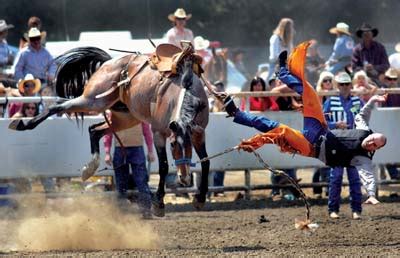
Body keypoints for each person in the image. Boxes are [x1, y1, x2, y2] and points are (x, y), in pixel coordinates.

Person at [222, 42, 387, 205]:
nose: (371, 143)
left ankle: (238, 115)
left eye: (374, 145)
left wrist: (371, 194)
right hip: (320, 128)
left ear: (375, 149)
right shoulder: (365, 131)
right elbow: (364, 113)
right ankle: (283, 73)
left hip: (311, 146)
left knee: (279, 130)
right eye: (374, 139)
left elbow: (368, 176)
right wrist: (373, 98)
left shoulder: (364, 159)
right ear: (372, 134)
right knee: (310, 93)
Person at [323, 72, 364, 219]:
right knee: (336, 177)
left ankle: (356, 209)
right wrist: (335, 124)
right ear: (337, 86)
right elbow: (322, 122)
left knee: (354, 177)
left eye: (347, 84)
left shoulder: (357, 102)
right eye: (342, 84)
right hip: (336, 143)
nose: (345, 87)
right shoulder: (330, 101)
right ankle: (333, 209)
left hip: (352, 143)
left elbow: (365, 120)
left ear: (350, 85)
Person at [104, 118, 155, 219]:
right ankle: (122, 211)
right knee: (123, 183)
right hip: (127, 149)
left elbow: (147, 131)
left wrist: (150, 151)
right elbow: (108, 133)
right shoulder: (117, 112)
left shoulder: (134, 111)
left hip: (130, 149)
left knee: (141, 182)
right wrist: (107, 152)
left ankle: (145, 210)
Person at [380, 68, 400, 180]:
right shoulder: (382, 91)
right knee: (385, 149)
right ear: (386, 79)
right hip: (386, 126)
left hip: (397, 125)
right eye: (389, 79)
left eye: (394, 79)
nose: (392, 81)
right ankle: (394, 174)